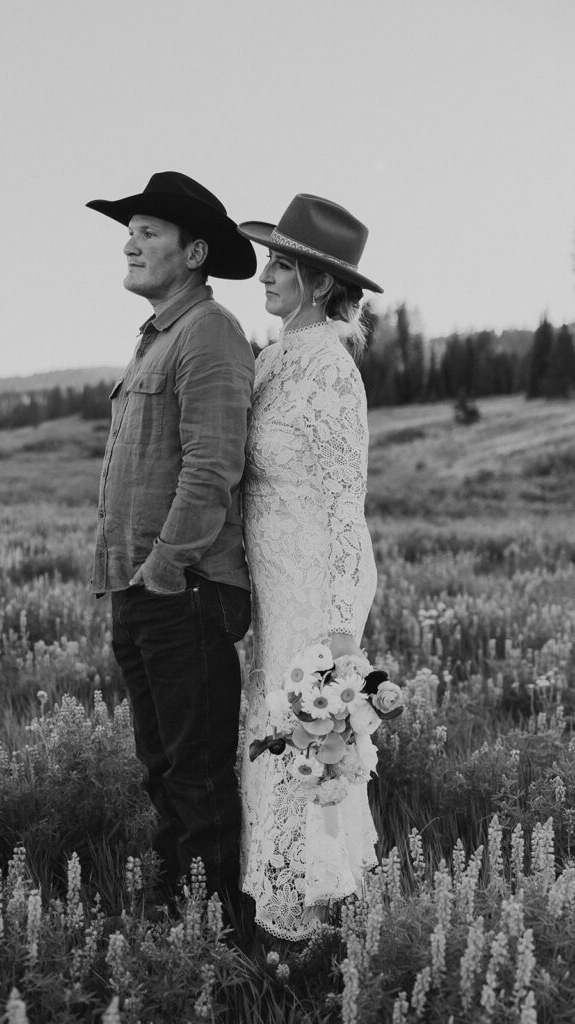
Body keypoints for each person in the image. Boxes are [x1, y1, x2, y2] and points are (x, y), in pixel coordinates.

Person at [86, 171, 257, 913]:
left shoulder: (210, 331)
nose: (129, 241)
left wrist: (163, 568)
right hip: (141, 588)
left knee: (194, 774)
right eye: (131, 230)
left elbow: (213, 463)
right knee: (162, 770)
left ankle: (213, 939)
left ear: (193, 253)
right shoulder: (157, 336)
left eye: (147, 232)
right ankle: (177, 918)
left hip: (181, 589)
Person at [236, 193, 384, 939]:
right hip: (266, 582)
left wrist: (337, 631)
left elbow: (342, 508)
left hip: (308, 589)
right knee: (262, 738)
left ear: (320, 284)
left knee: (297, 730)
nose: (265, 275)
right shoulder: (274, 357)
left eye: (281, 265)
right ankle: (267, 903)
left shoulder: (330, 370)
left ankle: (299, 920)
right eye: (269, 260)